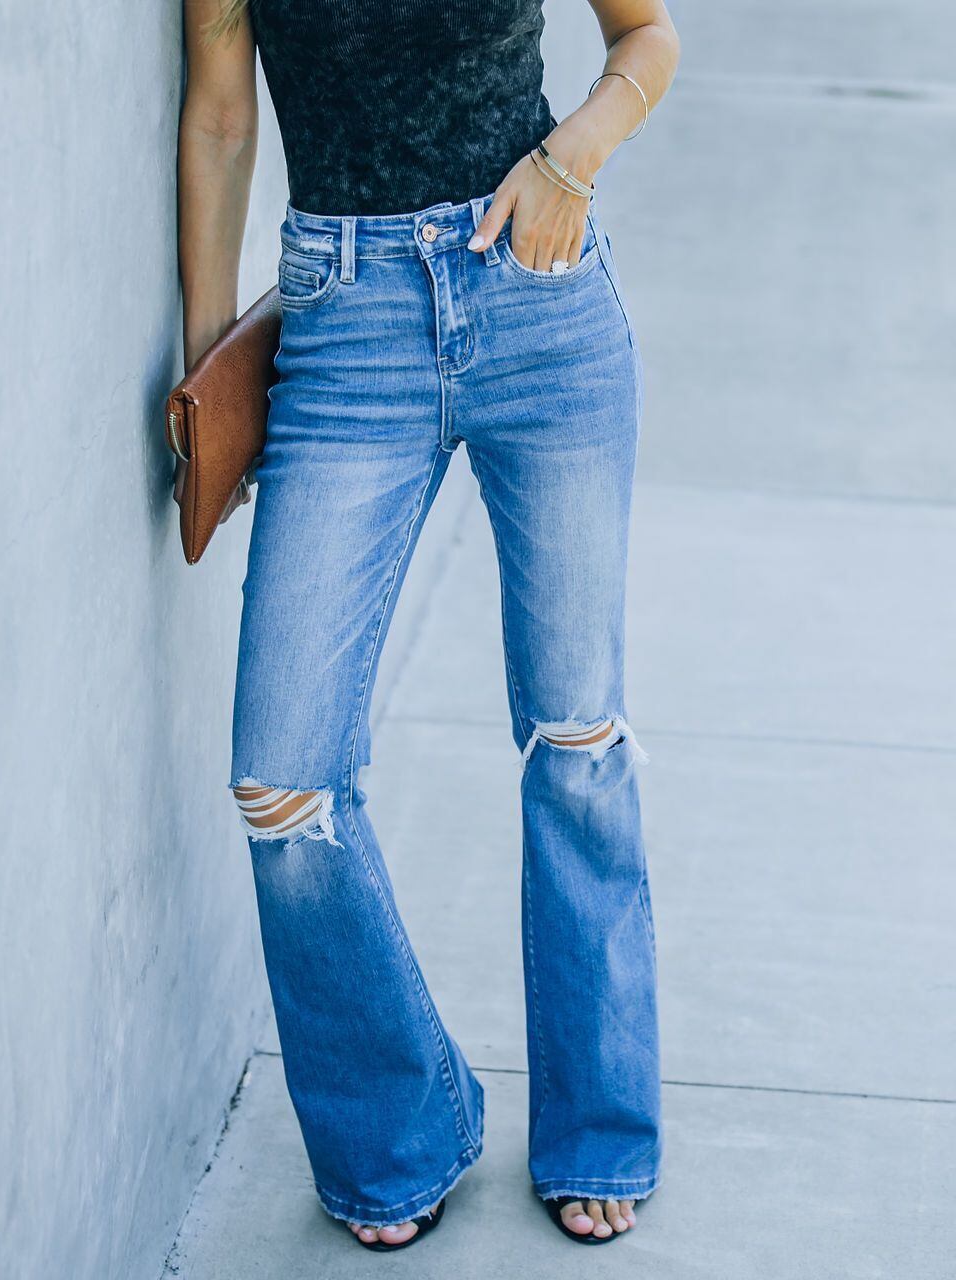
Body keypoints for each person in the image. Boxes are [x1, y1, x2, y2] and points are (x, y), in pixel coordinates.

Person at [176, 0, 679, 1250]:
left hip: (540, 301)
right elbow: (223, 117)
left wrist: (568, 163)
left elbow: (648, 39)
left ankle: (599, 1126)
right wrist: (210, 379)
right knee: (283, 780)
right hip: (345, 326)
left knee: (576, 739)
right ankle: (405, 1124)